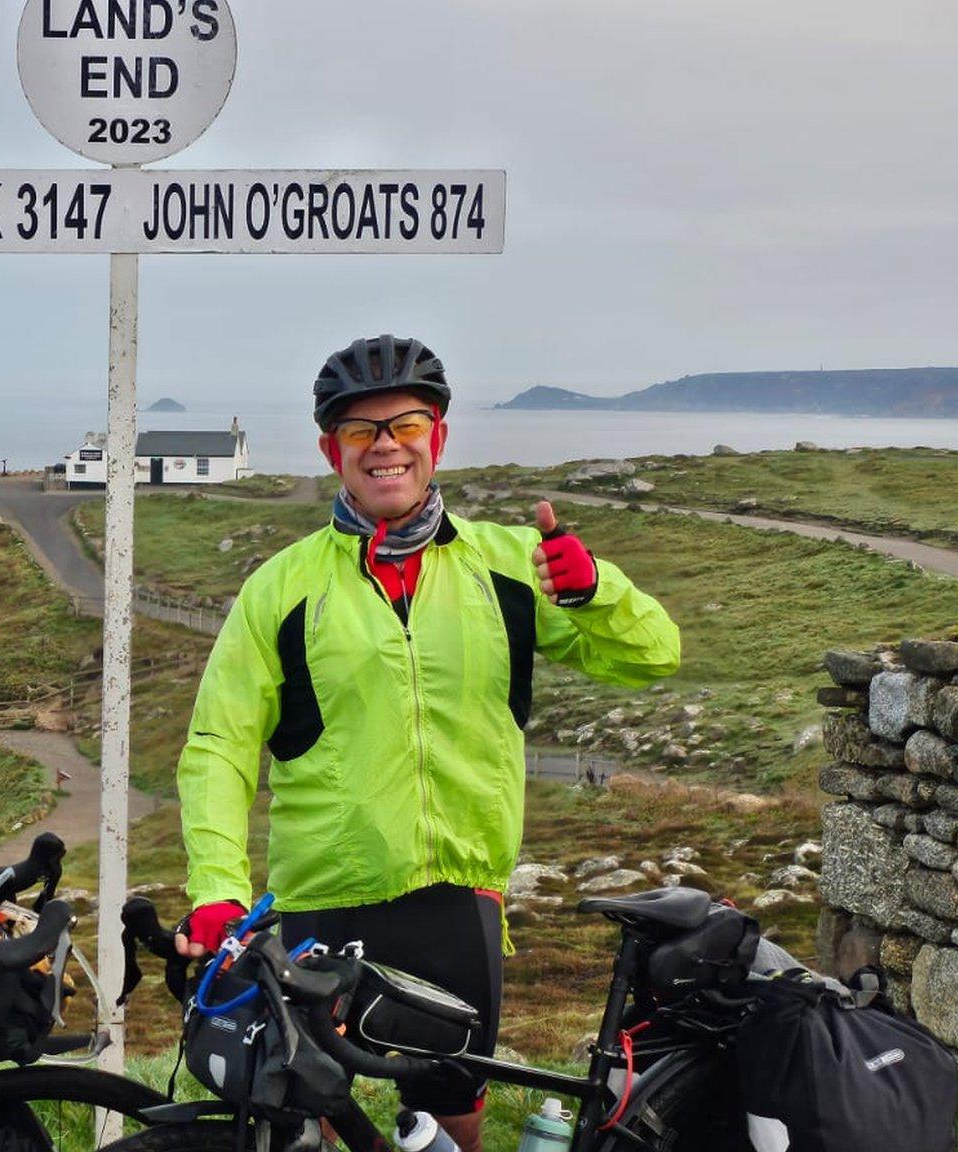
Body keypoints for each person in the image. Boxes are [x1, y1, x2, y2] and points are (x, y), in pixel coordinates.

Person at [171, 335, 679, 1152]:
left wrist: (593, 594)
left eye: (405, 424)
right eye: (359, 429)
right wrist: (219, 891)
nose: (384, 445)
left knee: (453, 1130)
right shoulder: (282, 586)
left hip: (456, 899)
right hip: (322, 899)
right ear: (330, 449)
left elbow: (654, 653)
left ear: (435, 438)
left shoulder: (511, 565)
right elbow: (218, 749)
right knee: (319, 1127)